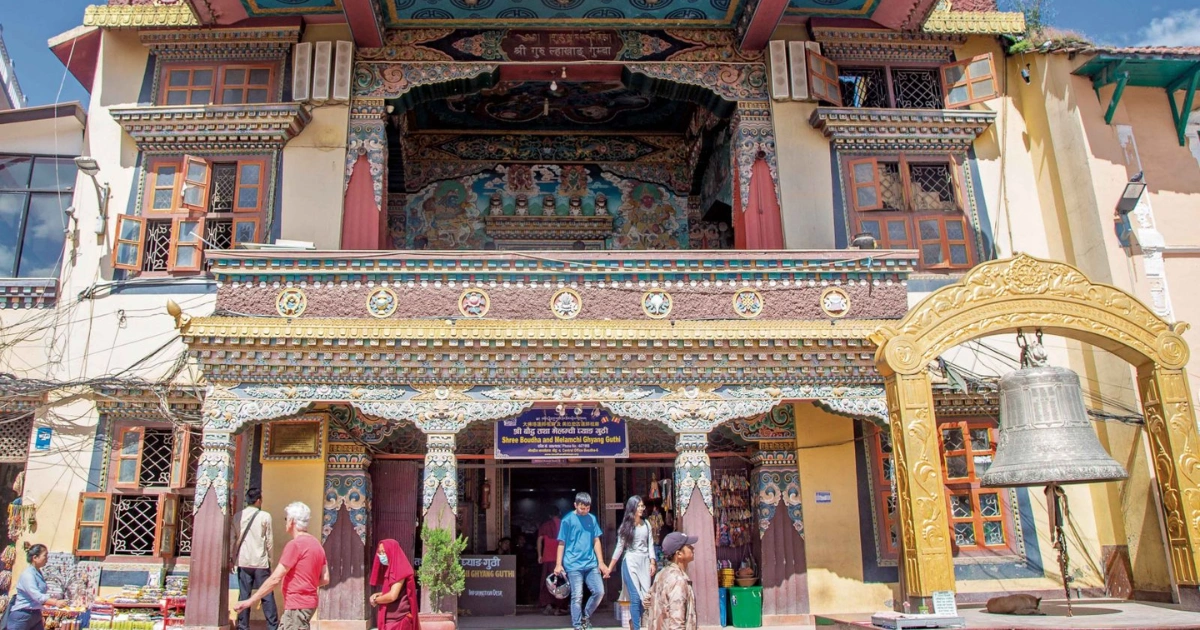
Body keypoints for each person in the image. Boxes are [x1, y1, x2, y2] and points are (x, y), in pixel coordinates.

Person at [234, 502, 329, 630]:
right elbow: (325, 578)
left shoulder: (295, 545)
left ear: (292, 521)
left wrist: (250, 601)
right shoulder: (317, 545)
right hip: (308, 604)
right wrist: (306, 583)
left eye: (286, 519)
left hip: (297, 605)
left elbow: (275, 578)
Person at [554, 492, 607, 630]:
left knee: (599, 591)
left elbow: (596, 540)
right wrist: (558, 564)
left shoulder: (592, 519)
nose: (584, 511)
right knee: (577, 596)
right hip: (573, 565)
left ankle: (585, 616)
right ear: (575, 505)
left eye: (587, 508)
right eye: (582, 508)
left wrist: (601, 562)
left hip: (590, 563)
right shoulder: (567, 520)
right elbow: (561, 543)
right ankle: (577, 625)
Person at [603, 496, 655, 630]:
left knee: (645, 599)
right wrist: (610, 568)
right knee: (635, 596)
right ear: (632, 508)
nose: (641, 508)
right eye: (639, 506)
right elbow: (619, 548)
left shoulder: (647, 524)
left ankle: (633, 623)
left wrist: (652, 562)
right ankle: (637, 628)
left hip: (644, 562)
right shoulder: (625, 527)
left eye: (642, 506)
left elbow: (650, 545)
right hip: (630, 562)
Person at [230, 488, 278, 630]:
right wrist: (271, 560)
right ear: (258, 500)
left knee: (244, 594)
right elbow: (269, 541)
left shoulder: (238, 516)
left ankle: (243, 626)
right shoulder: (265, 516)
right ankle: (272, 626)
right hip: (261, 562)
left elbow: (232, 539)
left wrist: (232, 558)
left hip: (243, 561)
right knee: (266, 594)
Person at [644, 532, 698, 630]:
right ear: (679, 554)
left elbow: (647, 600)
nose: (693, 548)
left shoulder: (661, 574)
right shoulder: (678, 580)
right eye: (689, 546)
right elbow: (677, 624)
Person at [7, 544, 66, 630]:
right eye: (45, 556)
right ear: (35, 558)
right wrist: (55, 602)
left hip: (35, 615)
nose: (47, 558)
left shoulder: (38, 573)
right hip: (22, 615)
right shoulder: (28, 574)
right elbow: (36, 595)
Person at [370, 539, 420, 630]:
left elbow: (393, 596)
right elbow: (397, 591)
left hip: (399, 621)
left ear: (391, 551)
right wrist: (379, 594)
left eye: (384, 552)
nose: (381, 556)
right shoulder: (390, 569)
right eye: (380, 553)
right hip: (391, 621)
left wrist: (376, 601)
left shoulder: (400, 568)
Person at [536, 509, 566, 616]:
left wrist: (540, 555)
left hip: (547, 558)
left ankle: (548, 605)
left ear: (549, 515)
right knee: (561, 582)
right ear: (559, 514)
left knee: (547, 582)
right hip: (561, 558)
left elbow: (539, 540)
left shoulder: (545, 525)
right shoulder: (564, 524)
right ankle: (559, 607)